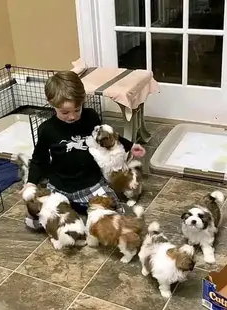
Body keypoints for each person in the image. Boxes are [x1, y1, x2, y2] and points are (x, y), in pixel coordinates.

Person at [19, 70, 146, 229]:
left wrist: (130, 146)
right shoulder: (47, 129)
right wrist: (30, 182)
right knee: (36, 221)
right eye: (65, 112)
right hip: (60, 186)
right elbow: (39, 159)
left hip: (90, 183)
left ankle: (79, 207)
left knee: (115, 213)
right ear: (52, 103)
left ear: (83, 100)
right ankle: (74, 207)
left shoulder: (91, 116)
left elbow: (108, 136)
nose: (72, 116)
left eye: (77, 110)